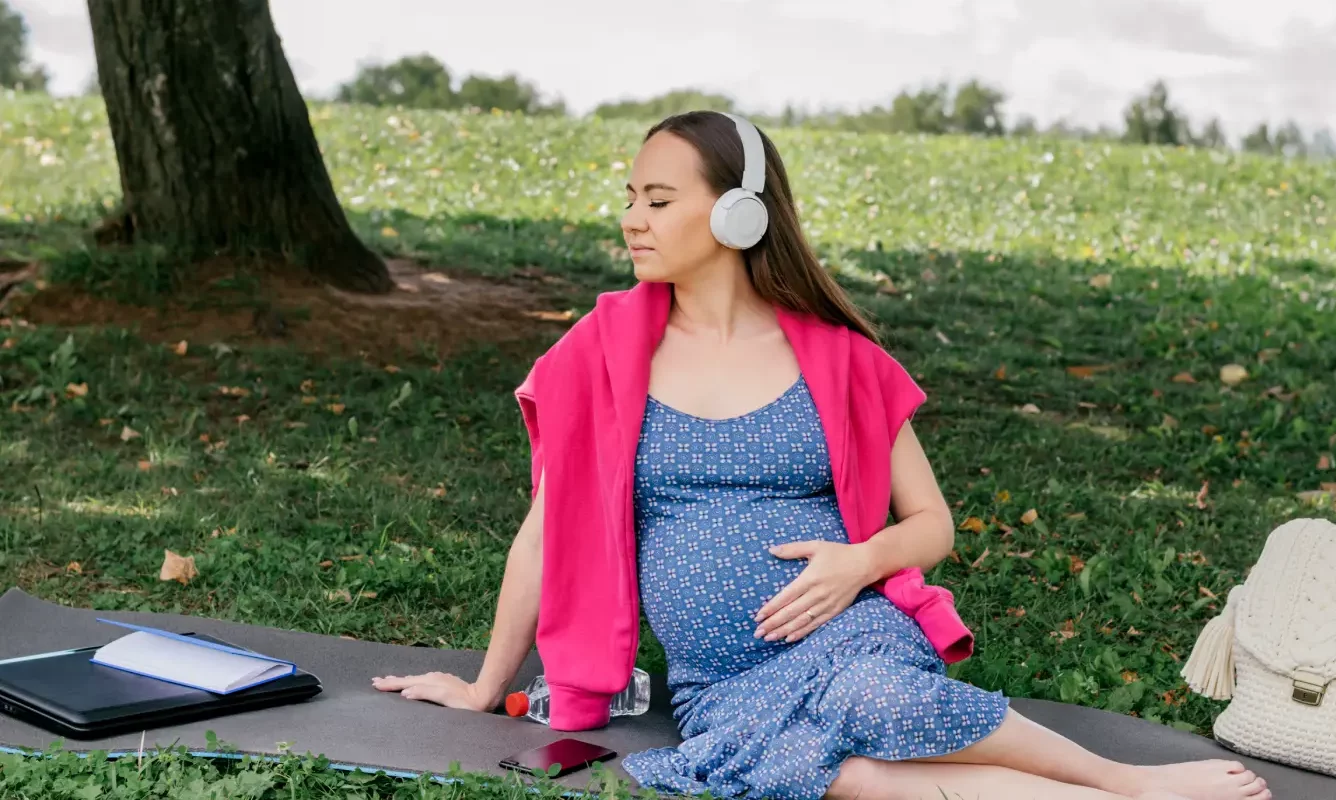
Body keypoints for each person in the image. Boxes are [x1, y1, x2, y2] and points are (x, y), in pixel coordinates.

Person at [371, 111, 1271, 800]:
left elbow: (933, 524)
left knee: (875, 709)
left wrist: (859, 563)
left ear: (734, 212)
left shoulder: (839, 361)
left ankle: (1125, 780)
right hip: (721, 680)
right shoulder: (600, 356)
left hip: (850, 636)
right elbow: (544, 532)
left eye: (657, 200)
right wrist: (490, 687)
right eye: (630, 199)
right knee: (843, 781)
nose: (631, 220)